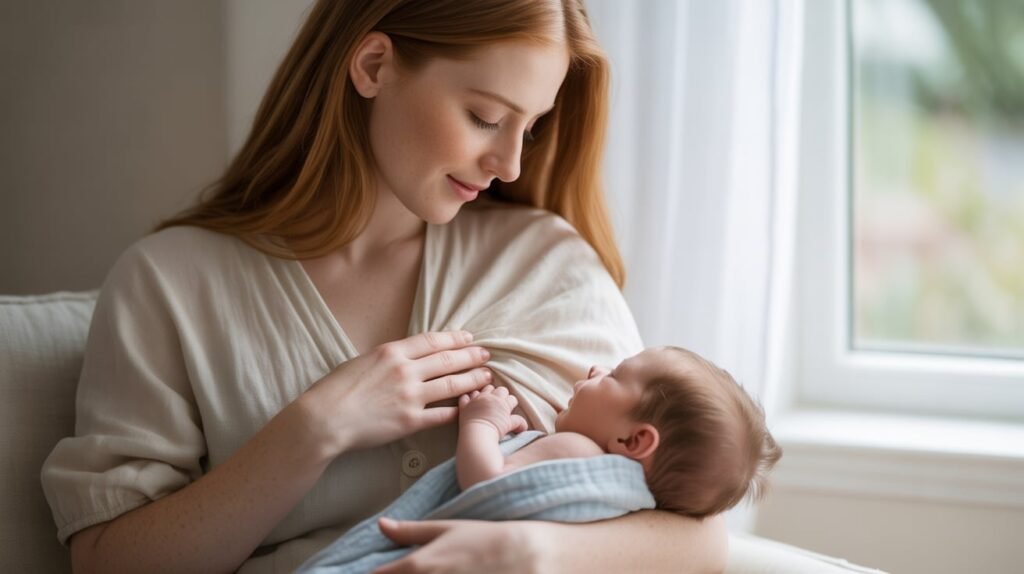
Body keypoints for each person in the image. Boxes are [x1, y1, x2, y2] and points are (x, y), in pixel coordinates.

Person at [40, 1, 729, 572]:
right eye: (487, 117)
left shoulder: (547, 263)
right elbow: (109, 560)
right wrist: (311, 431)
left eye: (533, 126)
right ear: (373, 66)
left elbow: (698, 539)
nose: (512, 164)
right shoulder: (168, 284)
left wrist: (524, 548)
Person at [456, 346, 782, 518]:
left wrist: (481, 424)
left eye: (614, 375)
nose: (595, 369)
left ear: (632, 440)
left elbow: (486, 483)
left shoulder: (578, 451)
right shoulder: (621, 501)